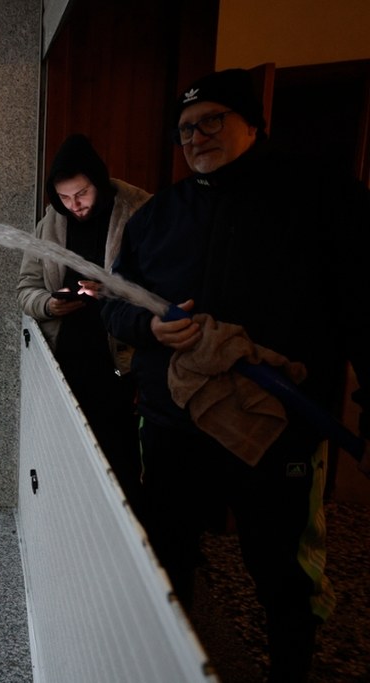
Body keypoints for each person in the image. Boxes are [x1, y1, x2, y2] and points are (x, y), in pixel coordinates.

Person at [101, 69, 370, 682]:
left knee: (283, 571)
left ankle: (290, 669)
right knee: (167, 554)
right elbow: (115, 303)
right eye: (185, 129)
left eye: (212, 121)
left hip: (277, 430)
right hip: (173, 425)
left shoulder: (323, 198)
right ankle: (171, 663)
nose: (196, 137)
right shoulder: (160, 215)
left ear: (252, 122)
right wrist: (150, 328)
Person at [17, 133, 151, 508]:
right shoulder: (51, 222)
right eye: (64, 197)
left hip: (123, 365)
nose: (74, 206)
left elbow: (162, 290)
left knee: (121, 459)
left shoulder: (140, 211)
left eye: (82, 194)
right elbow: (25, 288)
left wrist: (111, 292)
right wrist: (48, 304)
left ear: (98, 181)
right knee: (70, 458)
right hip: (66, 362)